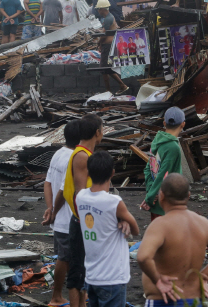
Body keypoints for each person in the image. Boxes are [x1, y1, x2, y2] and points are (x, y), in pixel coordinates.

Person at [137, 174, 208, 305]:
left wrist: (158, 280)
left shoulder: (160, 225)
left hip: (164, 299)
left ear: (162, 196)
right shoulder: (203, 223)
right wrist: (202, 276)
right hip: (193, 299)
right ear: (188, 196)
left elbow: (143, 257)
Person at [77, 151, 140, 307]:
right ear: (112, 173)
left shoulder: (80, 197)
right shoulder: (114, 202)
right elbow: (136, 230)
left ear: (89, 173)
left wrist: (120, 220)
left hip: (91, 276)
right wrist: (124, 220)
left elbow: (102, 219)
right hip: (112, 277)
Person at [53, 114, 104, 307]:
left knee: (83, 269)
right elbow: (80, 194)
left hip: (83, 220)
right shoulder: (82, 156)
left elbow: (64, 188)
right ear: (97, 132)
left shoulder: (79, 154)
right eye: (103, 128)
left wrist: (53, 210)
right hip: (82, 221)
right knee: (77, 272)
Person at [42, 120, 80, 307]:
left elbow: (48, 183)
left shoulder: (59, 153)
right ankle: (56, 296)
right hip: (66, 219)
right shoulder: (75, 158)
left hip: (58, 217)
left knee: (68, 258)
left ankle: (73, 295)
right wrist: (55, 211)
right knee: (65, 259)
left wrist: (49, 209)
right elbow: (64, 192)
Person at [142, 107, 185, 221]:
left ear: (164, 123)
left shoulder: (157, 141)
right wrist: (150, 197)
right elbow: (164, 175)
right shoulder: (173, 147)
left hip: (157, 200)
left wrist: (151, 192)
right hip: (168, 203)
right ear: (183, 124)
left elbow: (148, 169)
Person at [96, 0, 129, 95]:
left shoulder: (108, 18)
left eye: (99, 9)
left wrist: (99, 43)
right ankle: (108, 91)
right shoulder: (109, 17)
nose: (98, 11)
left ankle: (121, 85)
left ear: (103, 9)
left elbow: (105, 35)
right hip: (108, 45)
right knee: (105, 69)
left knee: (105, 68)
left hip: (107, 45)